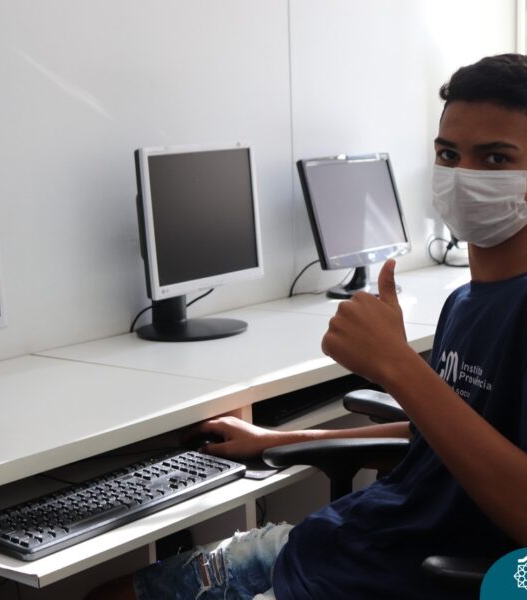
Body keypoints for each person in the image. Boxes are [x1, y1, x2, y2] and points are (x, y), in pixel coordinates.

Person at [85, 53, 527, 600]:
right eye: (449, 155)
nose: (463, 176)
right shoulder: (465, 300)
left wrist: (397, 367)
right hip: (342, 543)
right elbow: (433, 435)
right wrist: (281, 439)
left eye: (495, 158)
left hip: (386, 580)